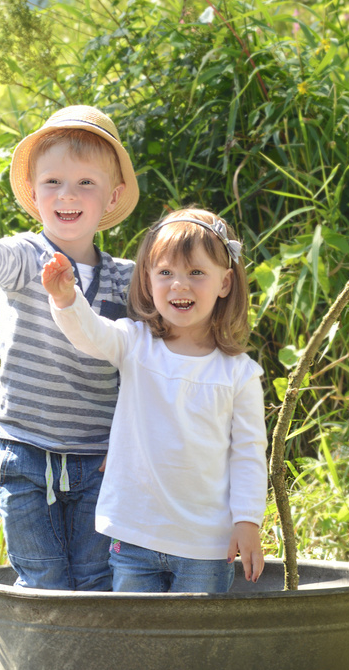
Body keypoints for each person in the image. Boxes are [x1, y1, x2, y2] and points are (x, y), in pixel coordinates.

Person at [0, 105, 140, 590]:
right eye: (53, 183)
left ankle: (97, 666)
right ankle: (45, 664)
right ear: (35, 192)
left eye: (85, 183)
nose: (67, 195)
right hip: (24, 452)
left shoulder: (126, 279)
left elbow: (143, 364)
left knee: (95, 578)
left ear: (112, 195)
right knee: (42, 576)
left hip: (98, 458)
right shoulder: (27, 257)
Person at [41, 206, 268, 594]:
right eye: (166, 273)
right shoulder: (135, 343)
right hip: (135, 534)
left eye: (196, 273)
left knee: (197, 645)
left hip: (206, 544)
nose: (180, 285)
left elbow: (248, 453)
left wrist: (247, 522)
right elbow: (92, 335)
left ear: (225, 283)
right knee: (138, 644)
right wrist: (67, 299)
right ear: (148, 280)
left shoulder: (238, 373)